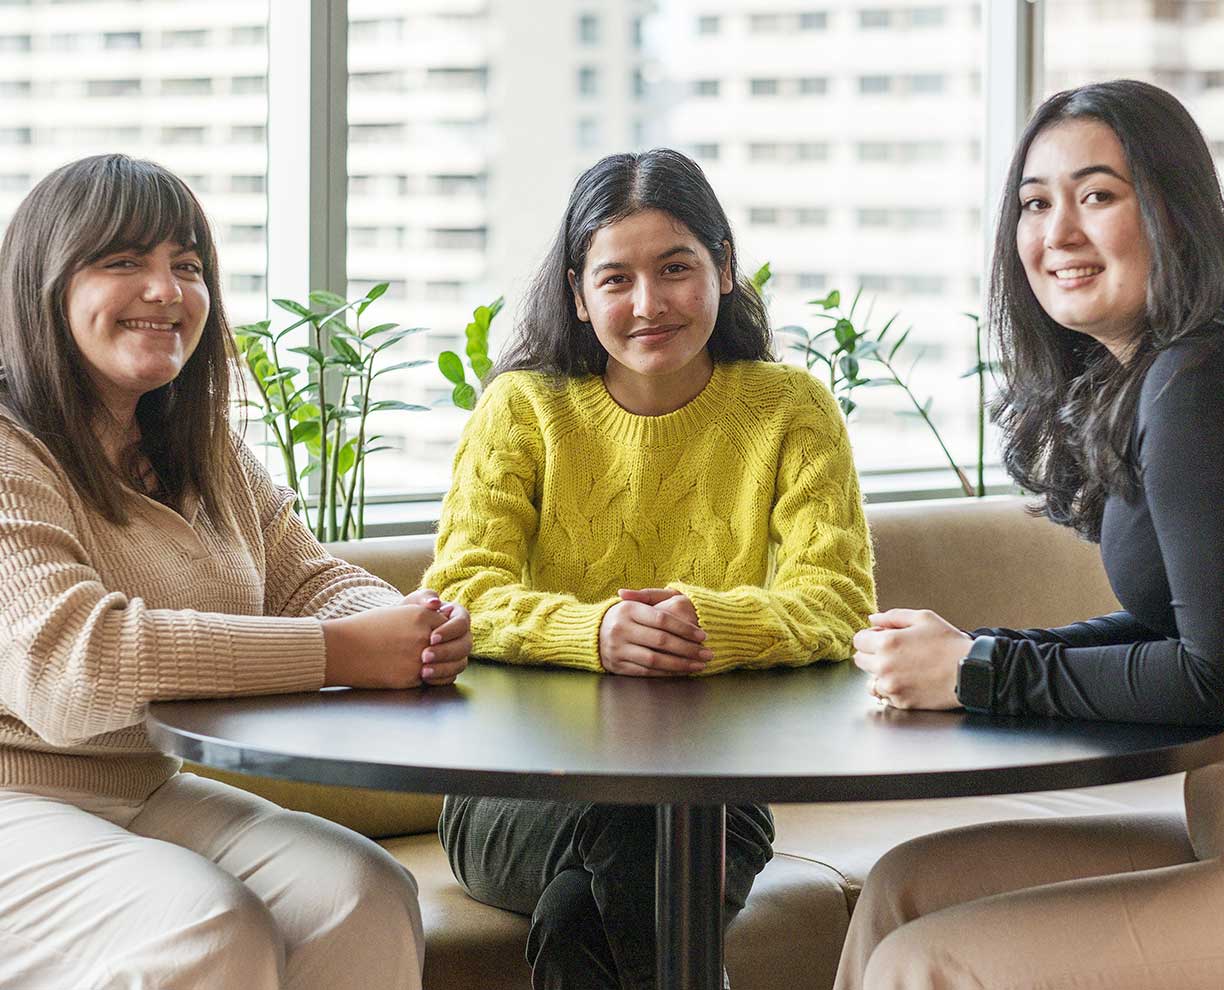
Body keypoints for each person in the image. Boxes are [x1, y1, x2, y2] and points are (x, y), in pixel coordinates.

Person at [0, 154, 473, 990]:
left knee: (364, 895)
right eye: (124, 262)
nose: (165, 289)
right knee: (207, 927)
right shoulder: (11, 447)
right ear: (45, 285)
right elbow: (70, 666)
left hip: (144, 787)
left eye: (187, 265)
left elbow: (311, 580)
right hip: (16, 803)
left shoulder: (198, 446)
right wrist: (342, 652)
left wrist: (415, 626)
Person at [421, 147, 876, 989]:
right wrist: (594, 629)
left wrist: (709, 624)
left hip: (712, 790)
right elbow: (460, 591)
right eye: (616, 278)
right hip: (511, 791)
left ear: (725, 270)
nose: (648, 303)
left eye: (676, 269)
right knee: (638, 824)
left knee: (579, 914)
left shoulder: (790, 408)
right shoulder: (523, 408)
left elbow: (839, 600)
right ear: (576, 294)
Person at [835, 79, 1224, 990]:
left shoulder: (1198, 383)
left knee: (927, 962)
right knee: (907, 887)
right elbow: (1186, 633)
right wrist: (980, 652)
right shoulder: (1157, 379)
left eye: (1097, 196)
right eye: (1035, 204)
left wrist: (978, 673)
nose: (1058, 235)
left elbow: (1216, 672)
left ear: (1177, 212)